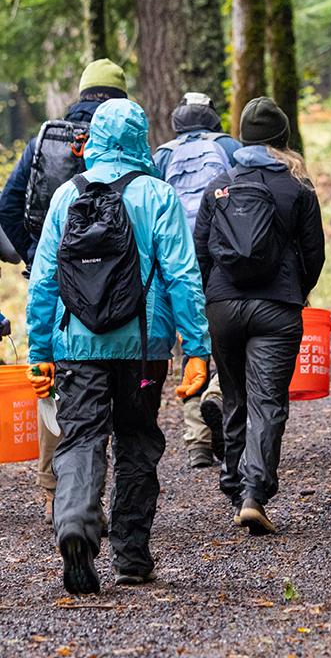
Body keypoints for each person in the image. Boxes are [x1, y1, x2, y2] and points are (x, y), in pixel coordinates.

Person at [25, 98, 211, 594]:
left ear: (96, 140)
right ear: (140, 137)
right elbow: (183, 276)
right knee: (137, 440)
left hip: (77, 345)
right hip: (144, 350)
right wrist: (196, 348)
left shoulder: (67, 194)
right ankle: (131, 557)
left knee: (82, 436)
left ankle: (75, 528)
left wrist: (39, 350)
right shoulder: (158, 194)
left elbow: (44, 279)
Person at [0, 58, 128, 524]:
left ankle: (58, 489)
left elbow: (8, 205)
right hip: (118, 282)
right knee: (115, 374)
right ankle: (107, 488)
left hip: (53, 278)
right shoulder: (126, 138)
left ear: (81, 91)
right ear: (121, 93)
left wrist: (36, 255)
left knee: (53, 373)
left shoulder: (45, 138)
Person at [194, 97, 325, 535]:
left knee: (233, 398)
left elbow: (201, 252)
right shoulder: (298, 187)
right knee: (268, 403)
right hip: (277, 308)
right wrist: (294, 293)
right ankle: (254, 494)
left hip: (223, 308)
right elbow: (314, 254)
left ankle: (233, 482)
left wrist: (214, 297)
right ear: (282, 139)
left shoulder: (218, 185)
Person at [153, 92, 240, 469]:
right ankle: (219, 394)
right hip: (221, 258)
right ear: (212, 119)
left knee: (189, 342)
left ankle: (197, 443)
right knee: (224, 338)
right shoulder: (228, 147)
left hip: (175, 262)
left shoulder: (162, 155)